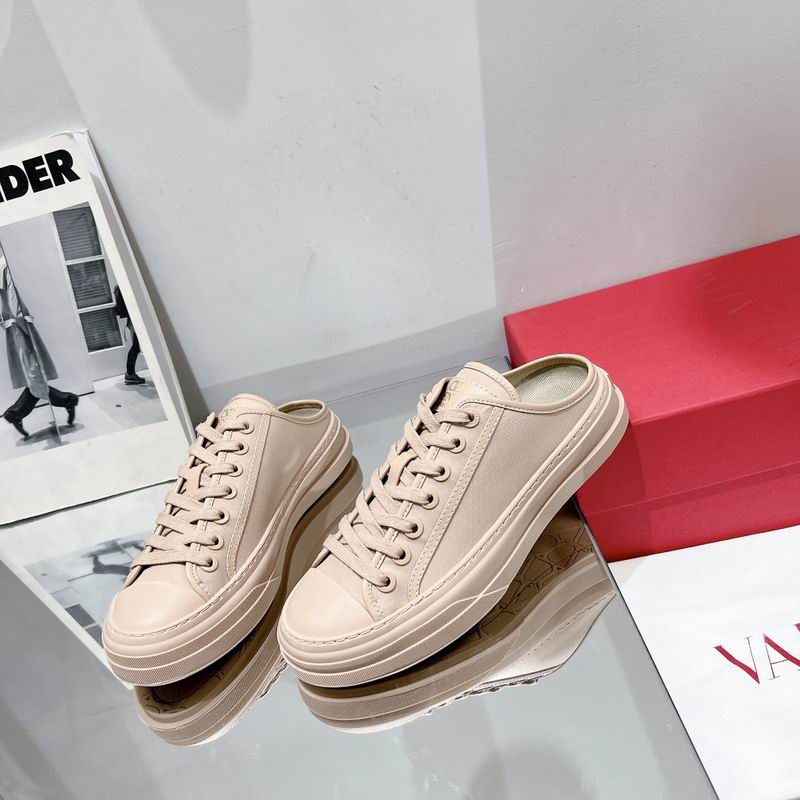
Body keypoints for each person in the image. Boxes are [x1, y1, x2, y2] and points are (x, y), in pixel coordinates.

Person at [1, 250, 78, 439]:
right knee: (34, 376)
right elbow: (13, 303)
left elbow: (11, 301)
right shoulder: (4, 265)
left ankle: (16, 413)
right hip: (18, 327)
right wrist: (20, 325)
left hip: (15, 326)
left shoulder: (4, 264)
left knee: (34, 376)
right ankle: (67, 400)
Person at [113, 285, 145, 385]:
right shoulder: (127, 287)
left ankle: (130, 373)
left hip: (133, 320)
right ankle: (130, 373)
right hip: (135, 319)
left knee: (137, 347)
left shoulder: (121, 288)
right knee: (136, 347)